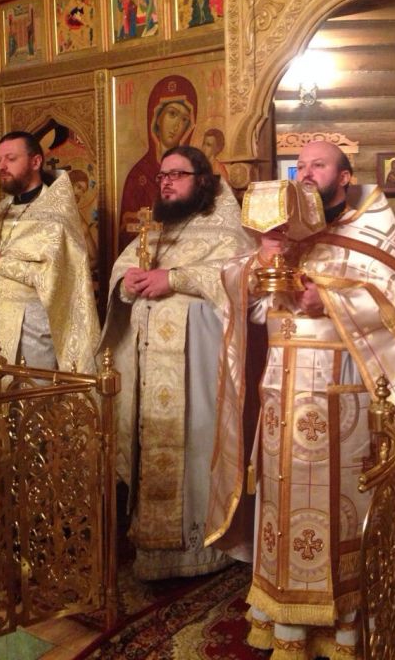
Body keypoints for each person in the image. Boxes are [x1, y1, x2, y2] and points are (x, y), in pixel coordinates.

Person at [206, 140, 395, 660]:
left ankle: (346, 626)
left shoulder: (371, 228)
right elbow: (245, 301)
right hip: (281, 398)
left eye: (318, 165)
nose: (306, 173)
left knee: (339, 508)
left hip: (342, 400)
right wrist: (261, 260)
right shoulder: (285, 235)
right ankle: (286, 622)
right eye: (300, 165)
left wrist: (333, 298)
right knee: (281, 500)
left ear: (344, 177)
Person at [101, 145, 252, 580]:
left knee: (196, 445)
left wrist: (176, 279)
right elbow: (122, 273)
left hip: (198, 370)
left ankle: (204, 547)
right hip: (151, 369)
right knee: (153, 445)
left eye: (176, 175)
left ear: (201, 181)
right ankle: (152, 549)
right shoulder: (157, 229)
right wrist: (127, 284)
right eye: (162, 175)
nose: (166, 182)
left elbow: (240, 277)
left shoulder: (227, 229)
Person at [0, 131, 100, 373]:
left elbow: (63, 277)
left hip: (30, 331)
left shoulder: (58, 218)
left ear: (36, 162)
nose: (2, 166)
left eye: (11, 159)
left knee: (31, 395)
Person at [118, 74, 197, 248]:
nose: (177, 125)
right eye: (172, 114)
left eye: (184, 119)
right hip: (144, 254)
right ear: (156, 118)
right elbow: (125, 233)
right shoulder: (138, 175)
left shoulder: (194, 174)